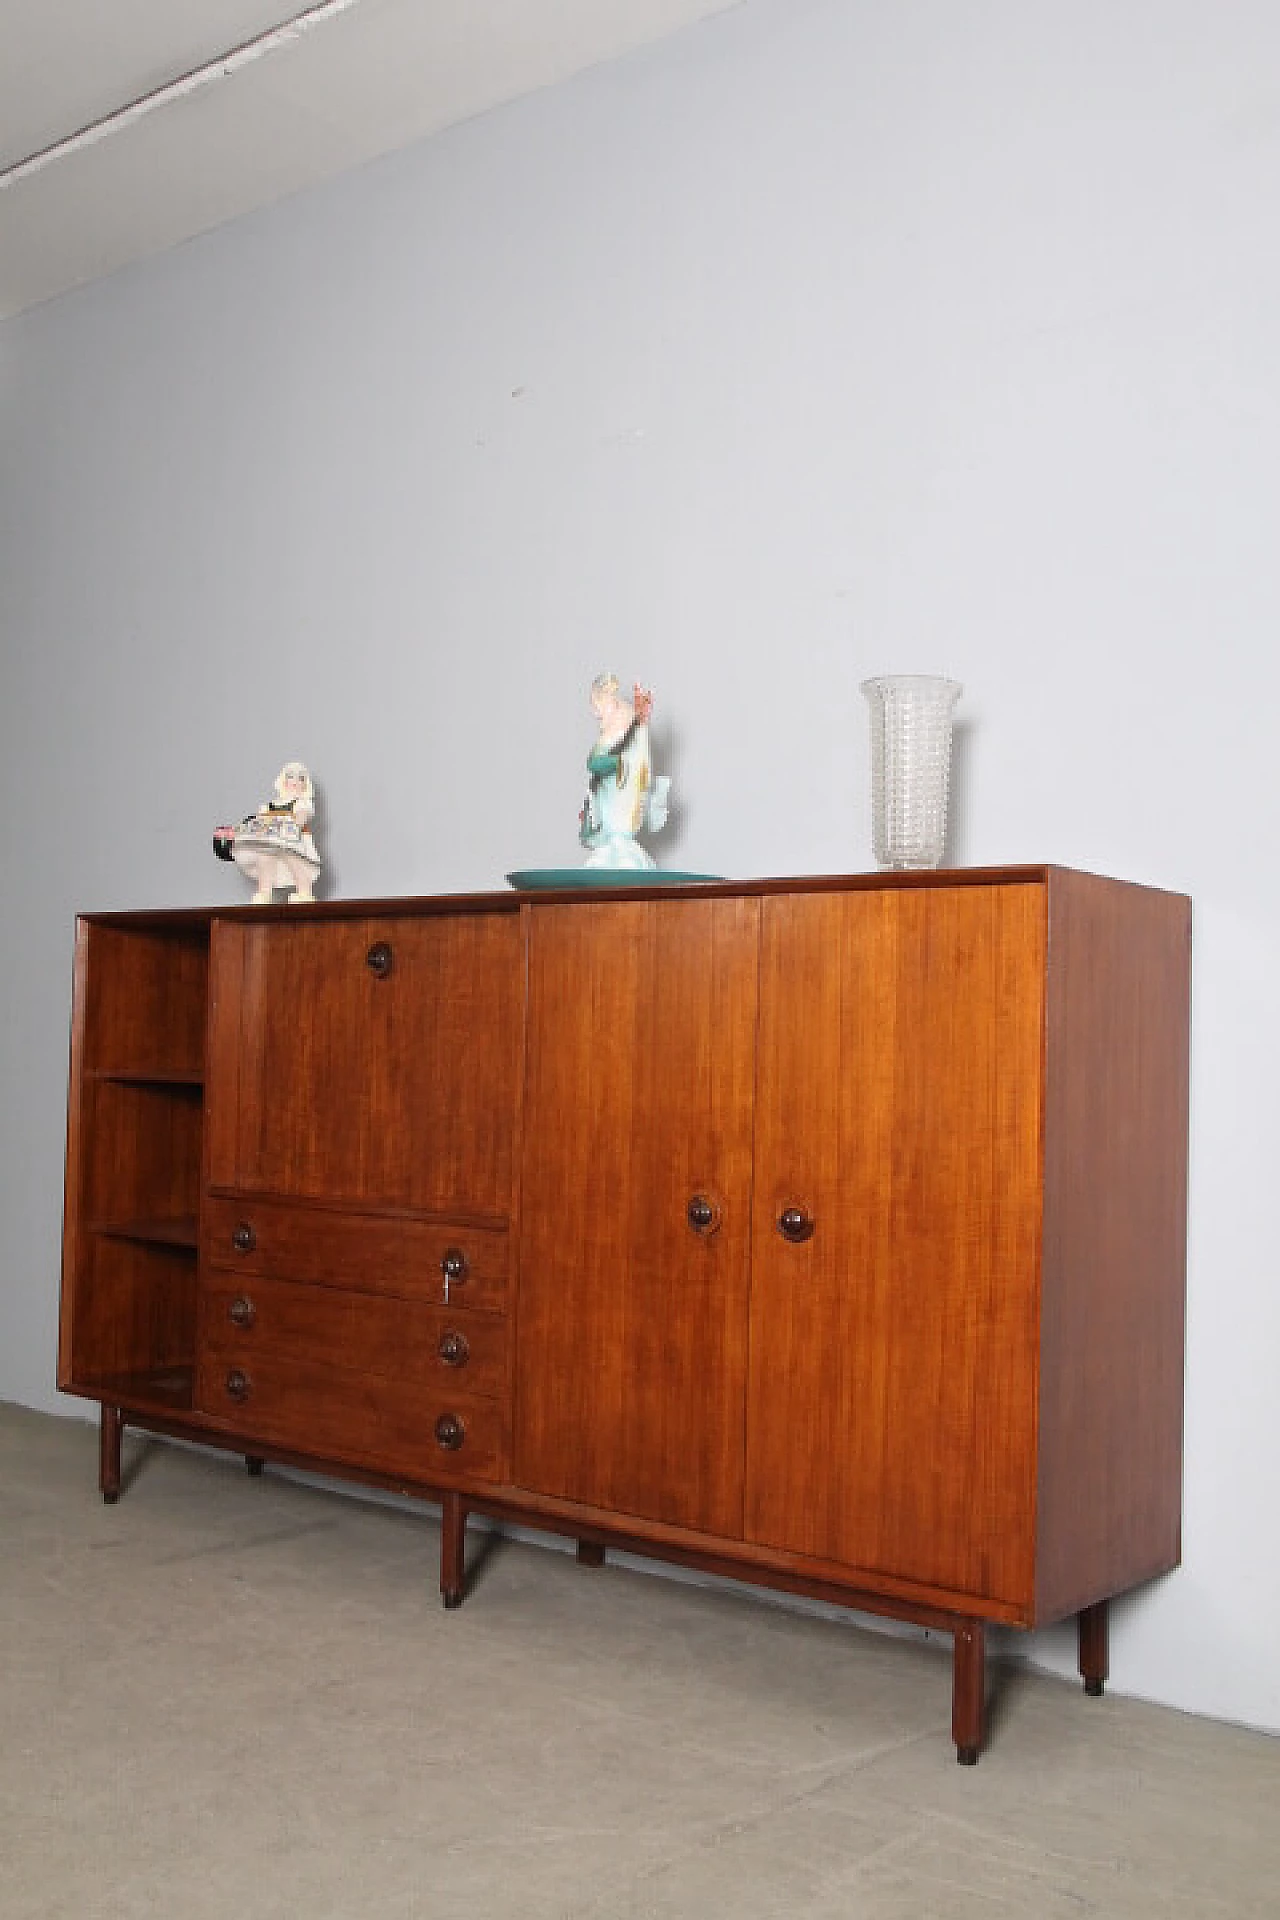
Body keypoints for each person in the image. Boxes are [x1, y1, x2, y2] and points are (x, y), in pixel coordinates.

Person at [578, 676, 669, 870]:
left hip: (625, 811)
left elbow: (640, 767)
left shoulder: (629, 739)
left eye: (598, 706)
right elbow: (594, 763)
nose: (595, 713)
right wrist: (614, 763)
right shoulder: (607, 742)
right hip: (611, 810)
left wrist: (642, 722)